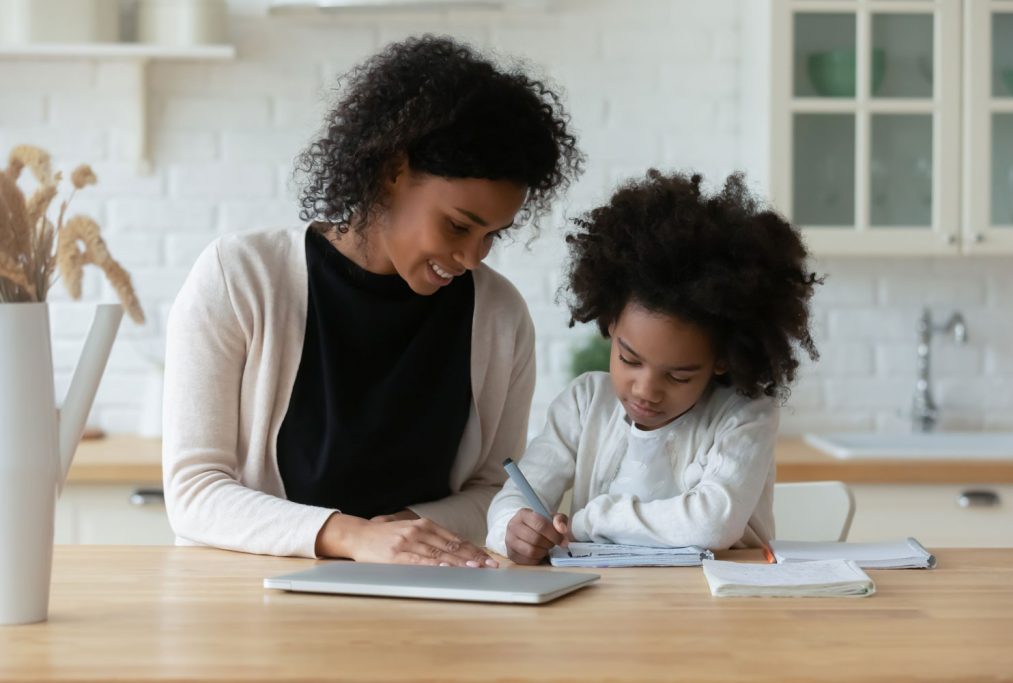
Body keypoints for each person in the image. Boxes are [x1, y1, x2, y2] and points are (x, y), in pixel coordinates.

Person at [163, 35, 582, 566]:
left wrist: (408, 531)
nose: (473, 258)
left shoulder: (499, 316)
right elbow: (194, 492)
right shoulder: (240, 278)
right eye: (457, 226)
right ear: (391, 170)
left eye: (492, 236)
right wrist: (352, 536)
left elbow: (492, 490)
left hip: (430, 599)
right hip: (256, 607)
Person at [486, 170, 822, 565]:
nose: (645, 389)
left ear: (722, 360)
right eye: (630, 359)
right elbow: (512, 498)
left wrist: (590, 519)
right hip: (602, 606)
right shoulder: (584, 404)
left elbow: (713, 524)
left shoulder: (745, 415)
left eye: (679, 375)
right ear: (610, 323)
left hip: (719, 610)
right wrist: (514, 526)